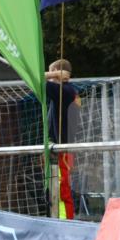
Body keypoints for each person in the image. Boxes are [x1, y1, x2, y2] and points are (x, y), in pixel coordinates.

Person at [45, 58, 80, 219]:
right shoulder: (66, 91)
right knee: (56, 191)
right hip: (61, 149)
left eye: (51, 72)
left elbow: (35, 78)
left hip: (62, 150)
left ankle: (66, 224)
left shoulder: (64, 91)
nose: (49, 76)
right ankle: (59, 221)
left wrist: (53, 75)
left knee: (61, 192)